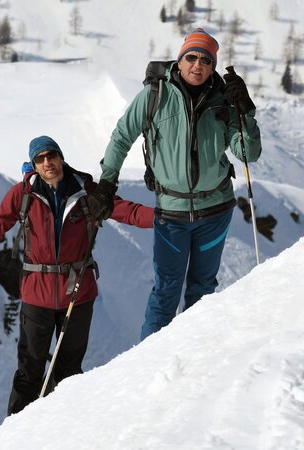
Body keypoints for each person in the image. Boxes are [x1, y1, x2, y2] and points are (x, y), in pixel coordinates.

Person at [0, 135, 154, 415]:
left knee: (68, 374)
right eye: (40, 158)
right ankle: (15, 438)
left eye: (51, 155)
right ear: (34, 165)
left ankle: (58, 431)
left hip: (77, 296)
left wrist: (164, 216)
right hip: (36, 296)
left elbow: (127, 211)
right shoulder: (22, 195)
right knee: (29, 373)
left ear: (61, 157)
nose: (47, 162)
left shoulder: (87, 192)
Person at [86, 28, 262, 341]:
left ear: (212, 66)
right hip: (172, 213)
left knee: (203, 289)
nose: (197, 64)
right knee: (166, 291)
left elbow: (247, 152)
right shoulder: (155, 94)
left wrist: (245, 112)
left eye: (206, 59)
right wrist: (106, 184)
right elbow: (122, 135)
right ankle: (147, 367)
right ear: (179, 61)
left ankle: (193, 362)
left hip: (216, 211)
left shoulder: (224, 99)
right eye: (191, 57)